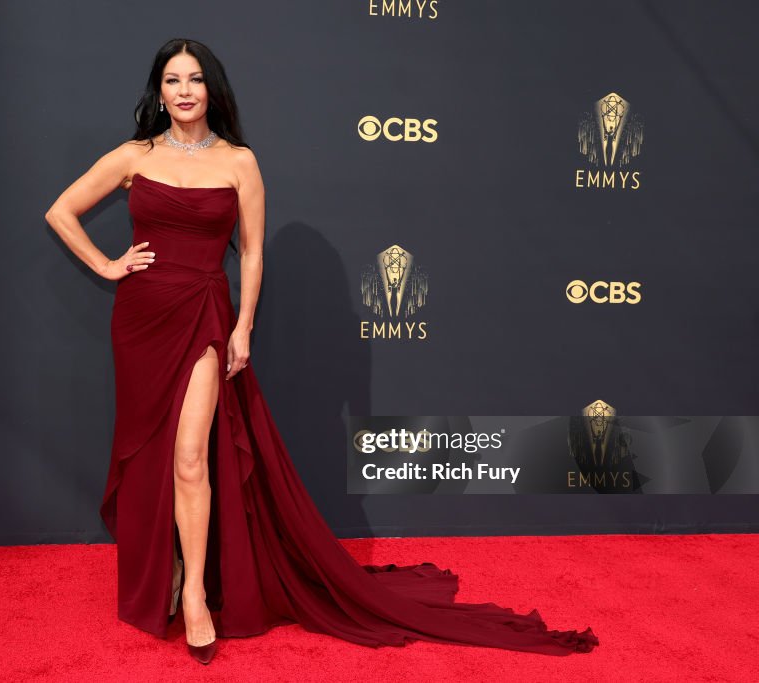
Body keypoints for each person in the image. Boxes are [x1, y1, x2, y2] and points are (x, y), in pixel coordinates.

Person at [45, 38, 599, 666]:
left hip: (202, 312)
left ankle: (195, 594)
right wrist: (110, 265)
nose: (184, 91)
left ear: (212, 89)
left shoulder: (239, 162)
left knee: (192, 457)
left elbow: (251, 251)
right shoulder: (133, 155)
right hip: (142, 319)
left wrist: (244, 325)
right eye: (172, 80)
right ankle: (163, 575)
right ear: (158, 90)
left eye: (195, 79)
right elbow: (61, 210)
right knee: (153, 455)